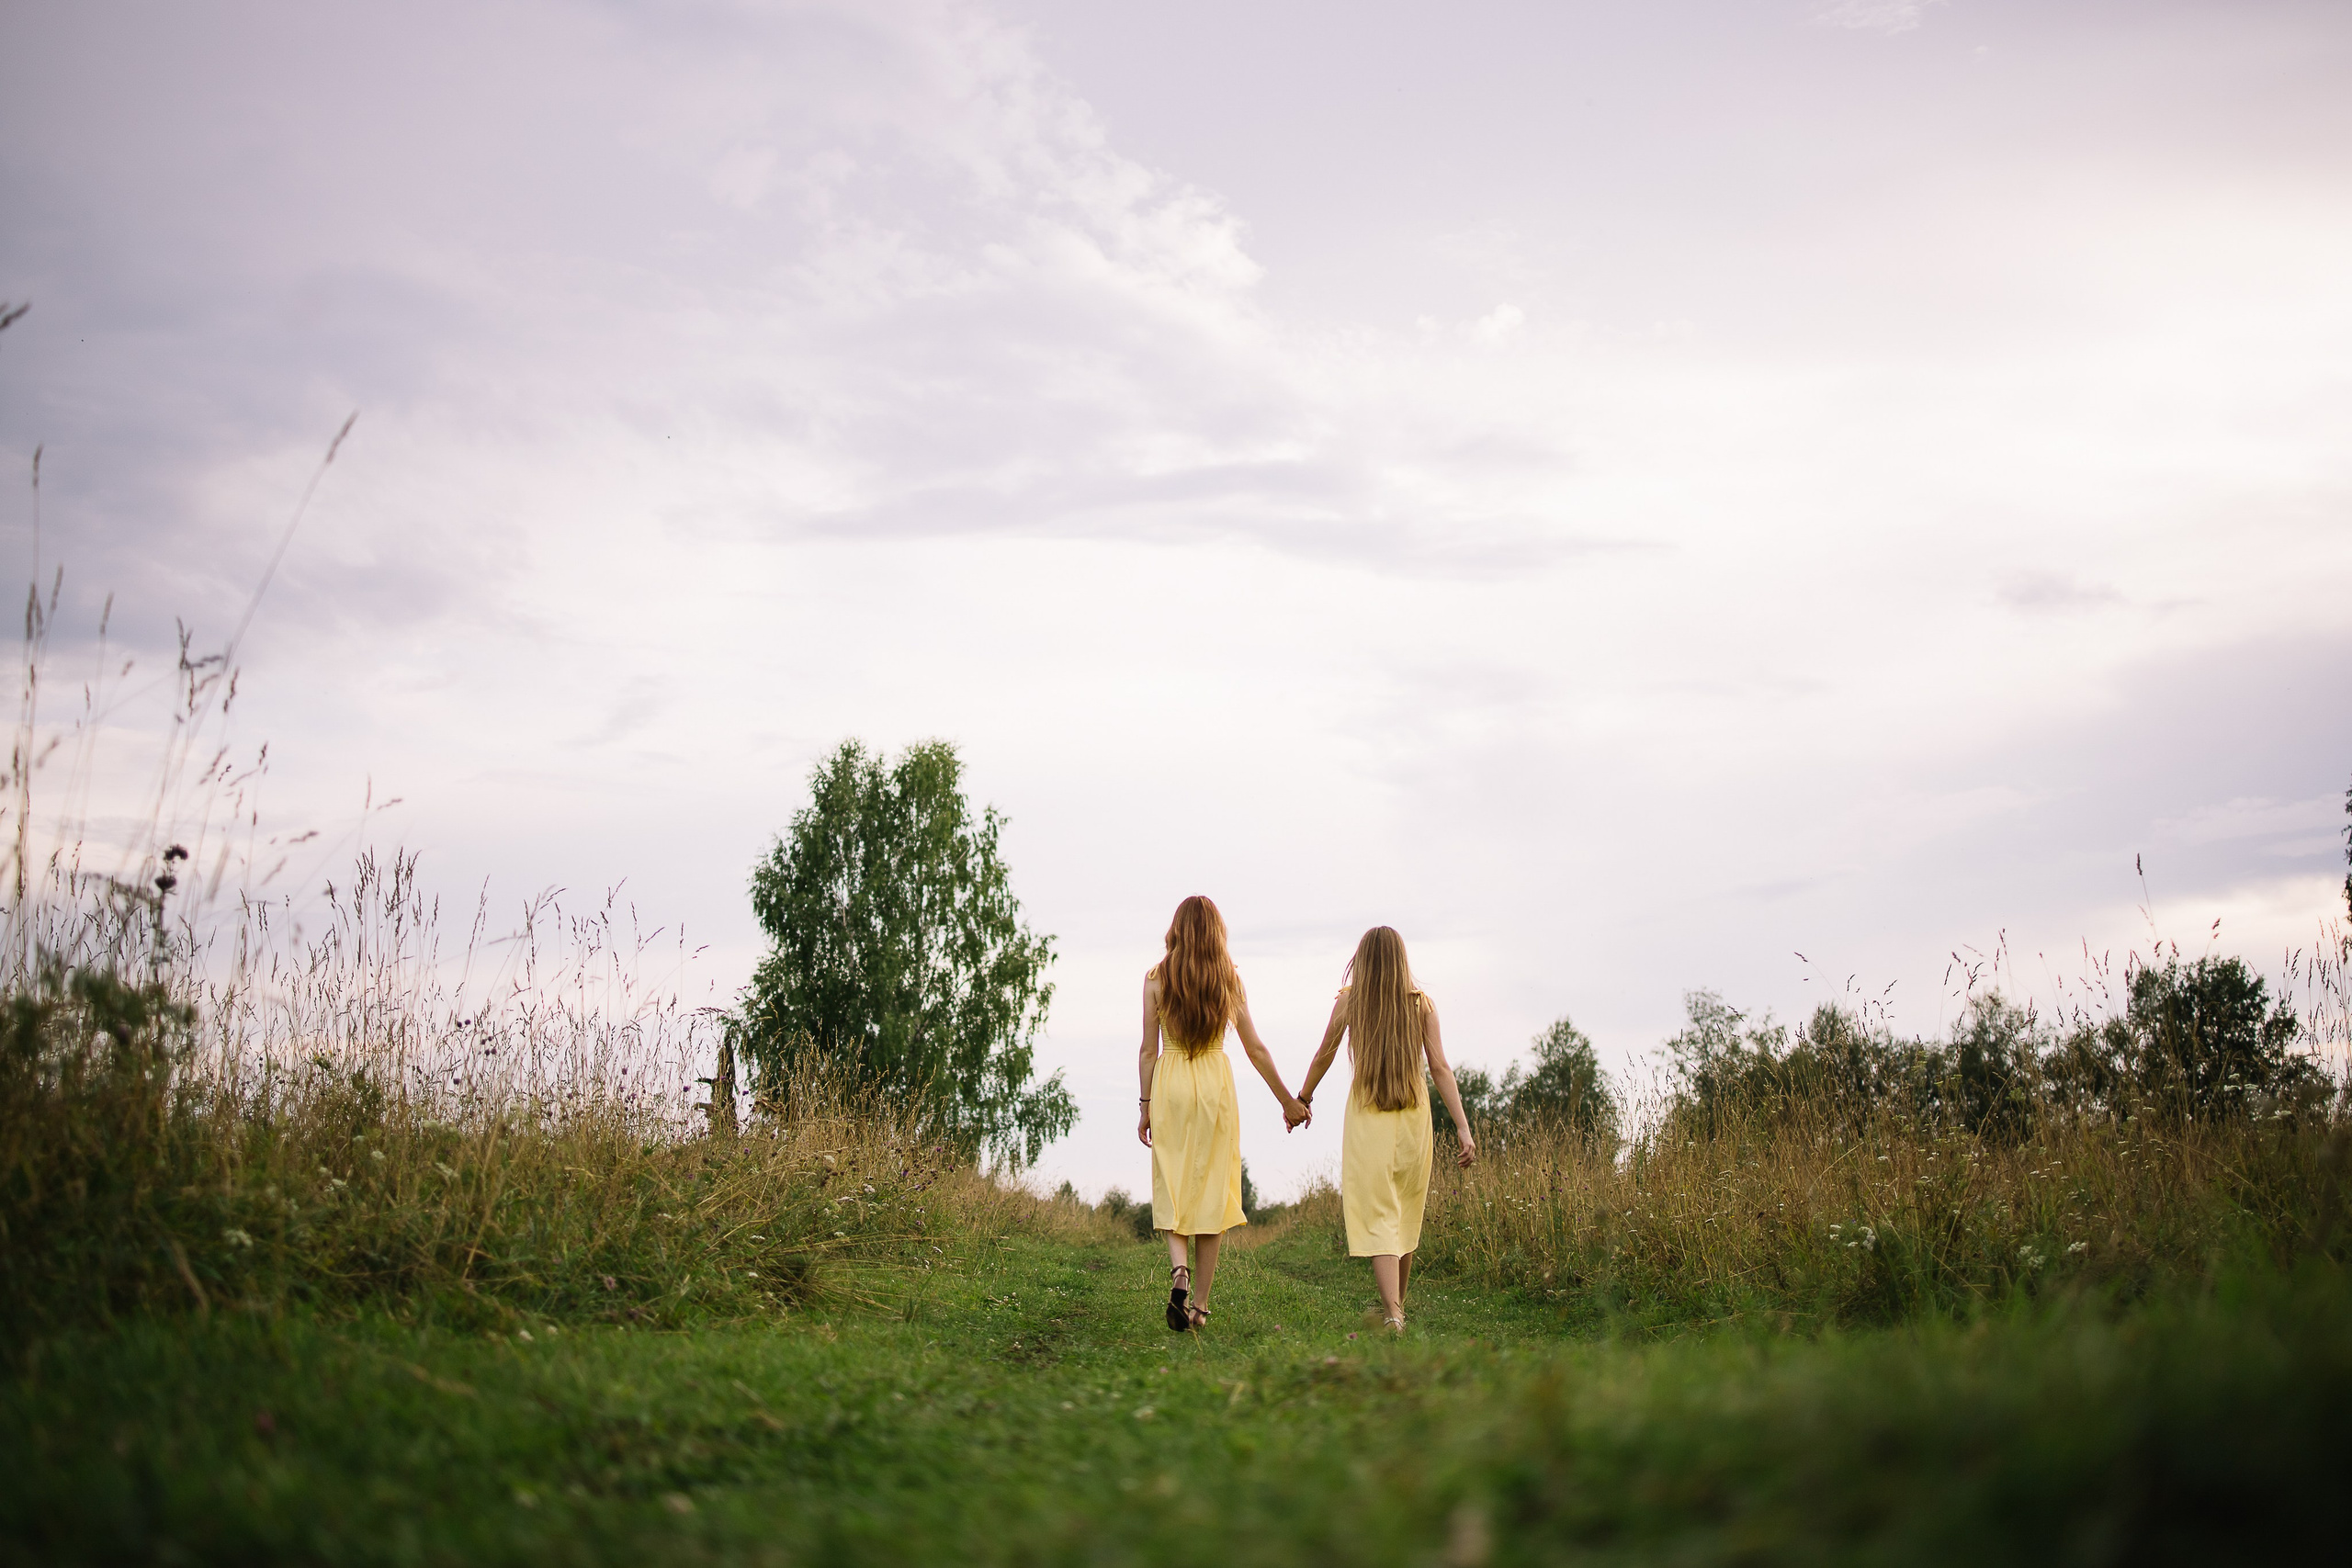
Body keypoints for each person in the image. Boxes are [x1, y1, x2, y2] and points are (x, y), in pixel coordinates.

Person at [1138, 895, 1310, 1332]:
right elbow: (1255, 1048)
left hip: (1171, 1082)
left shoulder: (1156, 978)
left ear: (1177, 928)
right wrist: (1288, 1100)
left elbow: (1147, 1051)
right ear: (1217, 931)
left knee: (1173, 1182)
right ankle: (1198, 1308)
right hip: (1215, 1083)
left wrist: (1145, 1107)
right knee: (1212, 1189)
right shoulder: (1229, 979)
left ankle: (1179, 1269)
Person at [1294, 926, 1476, 1332]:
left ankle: (1394, 1314)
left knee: (1380, 1217)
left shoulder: (1350, 1003)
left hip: (1368, 1120)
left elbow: (1324, 1053)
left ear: (1362, 961)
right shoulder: (1421, 1005)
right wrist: (1463, 1127)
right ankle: (1397, 1311)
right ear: (1401, 960)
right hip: (1414, 1119)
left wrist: (1303, 1097)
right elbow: (1441, 1068)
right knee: (1404, 1214)